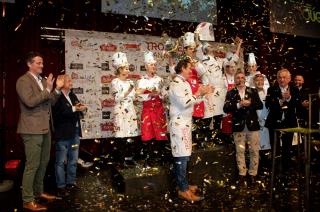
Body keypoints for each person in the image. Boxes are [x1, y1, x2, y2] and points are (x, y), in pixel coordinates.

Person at [16, 51, 64, 211]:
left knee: (43, 163)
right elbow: (30, 102)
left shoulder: (43, 80)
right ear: (29, 64)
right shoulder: (23, 81)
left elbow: (52, 101)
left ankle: (38, 192)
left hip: (45, 128)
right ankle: (27, 200)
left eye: (42, 63)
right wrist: (47, 90)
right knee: (32, 165)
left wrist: (56, 90)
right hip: (31, 129)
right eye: (38, 63)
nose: (42, 66)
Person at [169, 56, 211, 202]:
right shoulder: (176, 84)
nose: (190, 70)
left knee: (185, 156)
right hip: (179, 125)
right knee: (181, 157)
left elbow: (191, 101)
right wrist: (199, 93)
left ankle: (184, 185)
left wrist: (203, 94)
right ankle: (183, 190)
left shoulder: (183, 83)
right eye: (188, 68)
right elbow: (184, 103)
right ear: (181, 68)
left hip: (185, 124)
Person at [223, 71, 263, 185]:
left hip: (253, 127)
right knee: (240, 152)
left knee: (254, 151)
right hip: (238, 127)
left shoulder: (253, 91)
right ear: (235, 80)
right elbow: (225, 108)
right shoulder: (231, 93)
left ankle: (253, 174)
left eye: (242, 77)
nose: (240, 80)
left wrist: (250, 104)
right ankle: (242, 173)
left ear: (245, 79)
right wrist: (239, 105)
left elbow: (260, 105)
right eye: (237, 78)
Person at [52, 74, 87, 196]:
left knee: (73, 159)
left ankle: (71, 182)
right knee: (60, 161)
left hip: (74, 133)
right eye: (68, 81)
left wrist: (82, 108)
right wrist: (75, 109)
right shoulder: (56, 97)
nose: (71, 82)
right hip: (62, 135)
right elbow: (60, 112)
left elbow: (77, 107)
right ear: (61, 83)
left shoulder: (72, 95)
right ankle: (61, 186)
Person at [136, 51, 168, 166]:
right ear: (145, 66)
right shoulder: (141, 80)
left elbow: (164, 95)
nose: (153, 67)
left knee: (161, 134)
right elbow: (138, 96)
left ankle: (160, 158)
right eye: (151, 65)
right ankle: (149, 160)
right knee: (148, 135)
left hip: (159, 110)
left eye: (154, 65)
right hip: (148, 110)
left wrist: (159, 94)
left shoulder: (160, 80)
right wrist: (149, 94)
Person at [266, 68, 300, 170]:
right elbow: (268, 104)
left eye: (284, 77)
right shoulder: (271, 89)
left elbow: (297, 104)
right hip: (274, 122)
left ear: (289, 79)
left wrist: (289, 98)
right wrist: (280, 101)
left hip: (289, 122)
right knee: (274, 146)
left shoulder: (294, 89)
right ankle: (274, 168)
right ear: (277, 79)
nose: (282, 80)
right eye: (280, 77)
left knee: (287, 147)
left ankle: (286, 169)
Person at [111, 52, 139, 166]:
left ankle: (129, 158)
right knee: (121, 136)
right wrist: (127, 92)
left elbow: (133, 97)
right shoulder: (115, 82)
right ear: (119, 69)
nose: (128, 70)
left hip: (130, 111)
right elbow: (117, 98)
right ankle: (121, 160)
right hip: (120, 112)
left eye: (128, 68)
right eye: (126, 68)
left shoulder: (131, 82)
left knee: (131, 136)